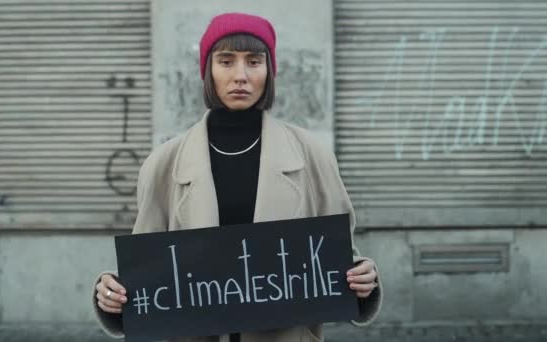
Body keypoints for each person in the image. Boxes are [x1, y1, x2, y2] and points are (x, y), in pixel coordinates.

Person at [92, 12, 383, 342]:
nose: (240, 75)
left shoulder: (311, 156)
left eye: (254, 62)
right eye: (226, 61)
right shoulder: (163, 164)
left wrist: (362, 280)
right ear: (208, 70)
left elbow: (336, 258)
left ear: (269, 71)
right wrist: (113, 293)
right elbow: (146, 271)